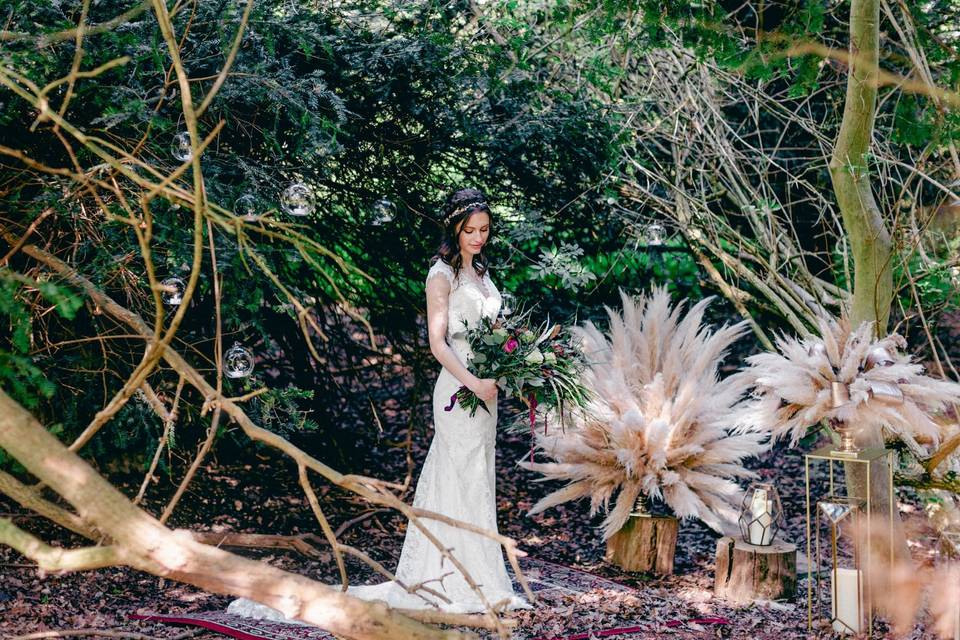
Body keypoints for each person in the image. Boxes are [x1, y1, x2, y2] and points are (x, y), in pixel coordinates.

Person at [227, 188, 530, 620]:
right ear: (454, 230)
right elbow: (438, 343)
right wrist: (475, 382)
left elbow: (495, 330)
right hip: (458, 389)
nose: (478, 238)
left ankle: (482, 576)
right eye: (470, 231)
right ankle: (453, 578)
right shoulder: (440, 276)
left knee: (479, 476)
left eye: (484, 230)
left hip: (486, 392)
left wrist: (512, 360)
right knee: (459, 474)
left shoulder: (482, 273)